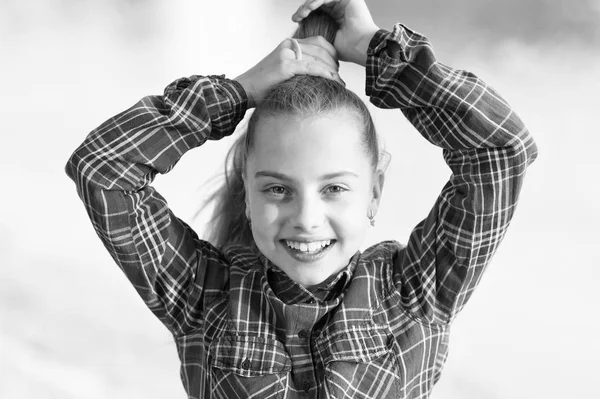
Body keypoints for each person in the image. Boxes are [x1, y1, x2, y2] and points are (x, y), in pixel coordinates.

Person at [65, 0, 538, 398]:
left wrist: (379, 51)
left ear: (374, 191)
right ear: (247, 192)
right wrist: (237, 91)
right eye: (277, 189)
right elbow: (103, 169)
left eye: (334, 188)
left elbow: (500, 148)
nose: (306, 219)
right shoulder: (202, 295)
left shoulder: (416, 293)